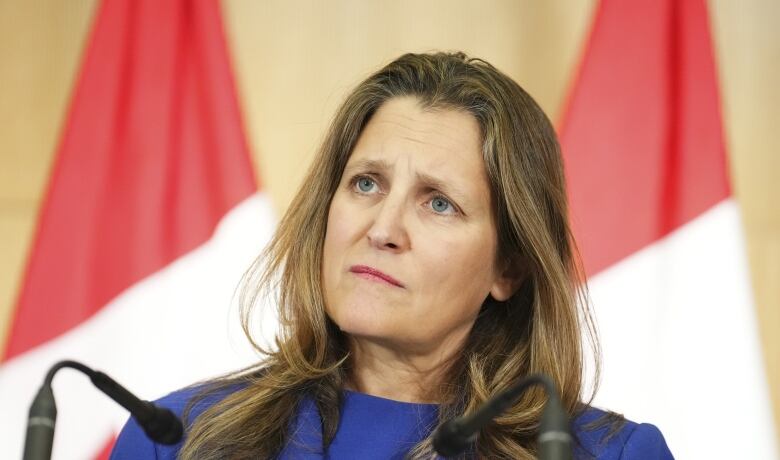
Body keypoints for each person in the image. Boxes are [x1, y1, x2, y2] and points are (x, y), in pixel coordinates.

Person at [111, 52, 673, 459]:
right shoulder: (177, 439)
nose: (383, 229)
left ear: (510, 266)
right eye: (366, 184)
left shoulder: (609, 454)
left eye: (439, 203)